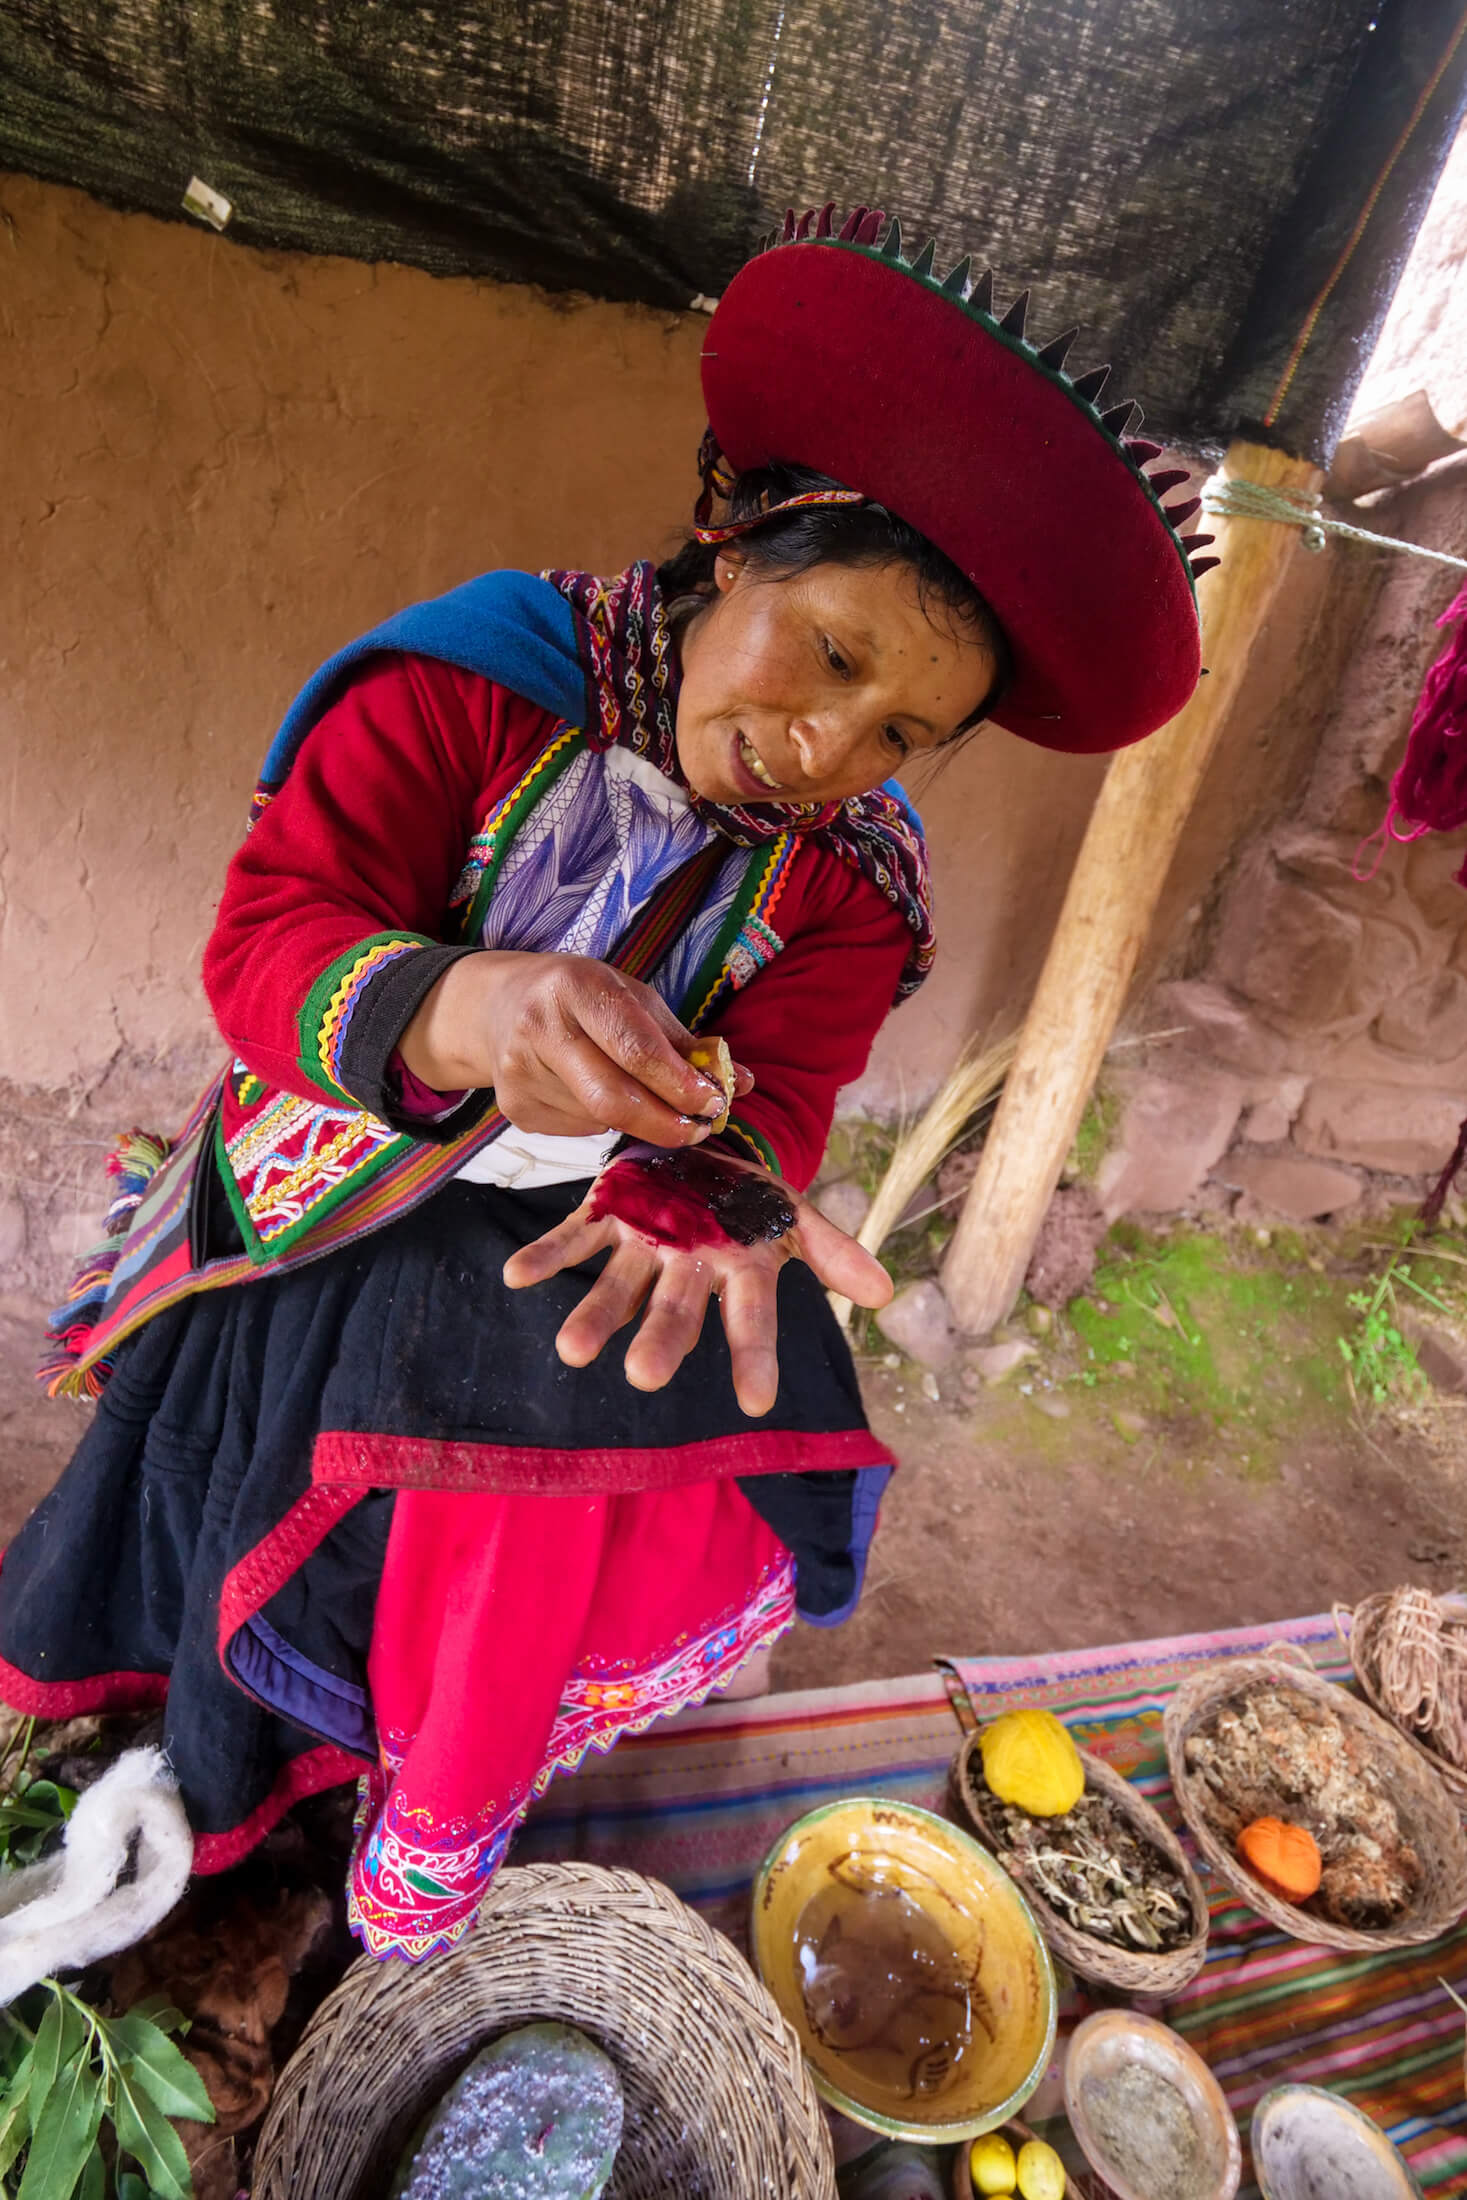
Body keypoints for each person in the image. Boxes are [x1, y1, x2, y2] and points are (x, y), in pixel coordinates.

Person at [0, 203, 1209, 1961]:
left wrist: (715, 1192)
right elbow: (270, 942)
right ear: (737, 542)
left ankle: (406, 1796)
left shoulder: (855, 883)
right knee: (261, 1497)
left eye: (898, 735)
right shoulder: (476, 685)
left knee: (553, 1443)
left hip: (561, 1251)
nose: (827, 753)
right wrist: (467, 1009)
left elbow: (780, 1093)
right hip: (332, 1181)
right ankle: (230, 1758)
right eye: (833, 653)